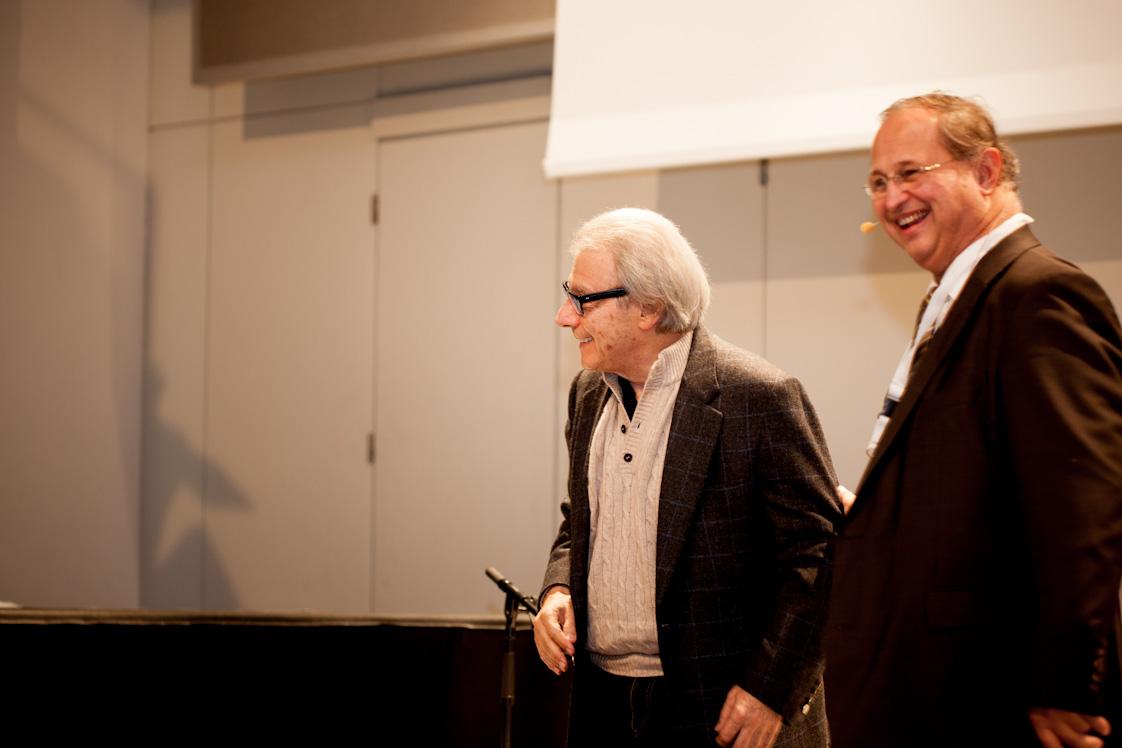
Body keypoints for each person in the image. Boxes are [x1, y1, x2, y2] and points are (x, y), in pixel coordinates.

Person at [825, 93, 1122, 748]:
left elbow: (1082, 507)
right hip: (929, 691)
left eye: (911, 172)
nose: (892, 198)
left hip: (996, 700)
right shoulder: (952, 299)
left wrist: (1063, 685)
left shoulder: (1038, 293)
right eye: (879, 182)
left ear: (985, 171)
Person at [533, 207, 841, 747]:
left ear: (649, 308)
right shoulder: (587, 394)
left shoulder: (759, 397)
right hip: (603, 702)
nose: (564, 316)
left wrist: (771, 689)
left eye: (583, 300)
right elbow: (578, 519)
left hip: (725, 707)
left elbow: (818, 556)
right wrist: (559, 587)